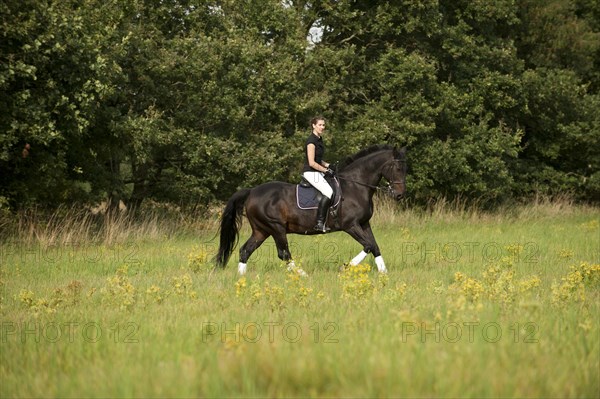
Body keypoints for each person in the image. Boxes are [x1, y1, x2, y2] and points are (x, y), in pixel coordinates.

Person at [302, 116, 335, 233]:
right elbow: (311, 162)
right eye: (320, 125)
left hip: (317, 171)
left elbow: (319, 160)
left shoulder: (319, 139)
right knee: (328, 191)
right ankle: (319, 223)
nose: (322, 127)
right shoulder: (311, 141)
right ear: (313, 125)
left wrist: (329, 165)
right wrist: (325, 171)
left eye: (323, 125)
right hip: (310, 172)